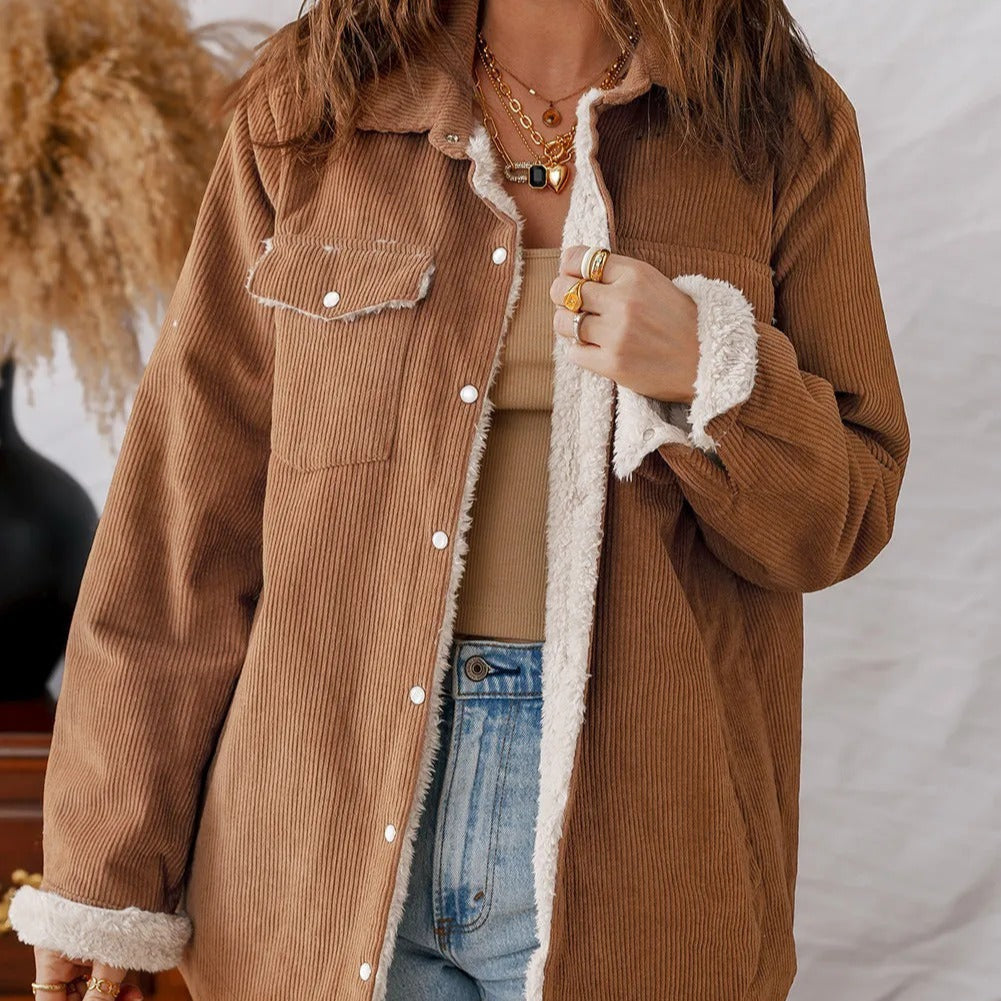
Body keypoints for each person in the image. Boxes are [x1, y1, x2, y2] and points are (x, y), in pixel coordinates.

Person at [10, 0, 911, 999]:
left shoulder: (777, 120)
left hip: (645, 847)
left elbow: (839, 520)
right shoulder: (311, 108)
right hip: (314, 829)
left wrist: (713, 369)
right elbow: (183, 520)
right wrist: (103, 869)